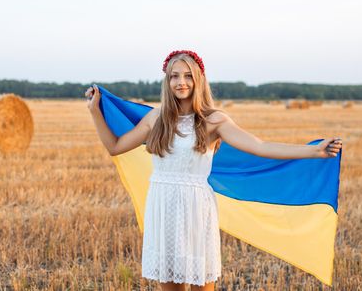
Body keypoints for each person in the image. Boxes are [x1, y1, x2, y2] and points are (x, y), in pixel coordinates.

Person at [85, 50, 342, 291]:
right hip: (162, 205)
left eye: (187, 76)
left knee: (201, 284)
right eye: (174, 76)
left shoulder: (213, 120)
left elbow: (258, 146)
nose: (180, 82)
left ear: (199, 80)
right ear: (167, 81)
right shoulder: (157, 118)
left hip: (195, 208)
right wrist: (95, 111)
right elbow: (116, 146)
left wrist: (313, 151)